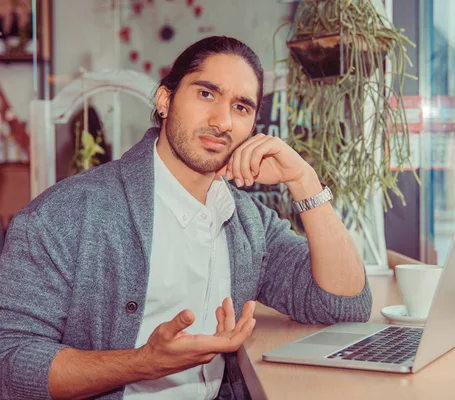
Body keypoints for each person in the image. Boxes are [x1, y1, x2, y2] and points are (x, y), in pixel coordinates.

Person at [0, 36, 372, 400]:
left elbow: (343, 304)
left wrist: (304, 181)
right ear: (165, 100)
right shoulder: (63, 215)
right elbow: (11, 362)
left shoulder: (247, 222)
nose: (222, 121)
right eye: (206, 93)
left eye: (241, 107)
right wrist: (141, 363)